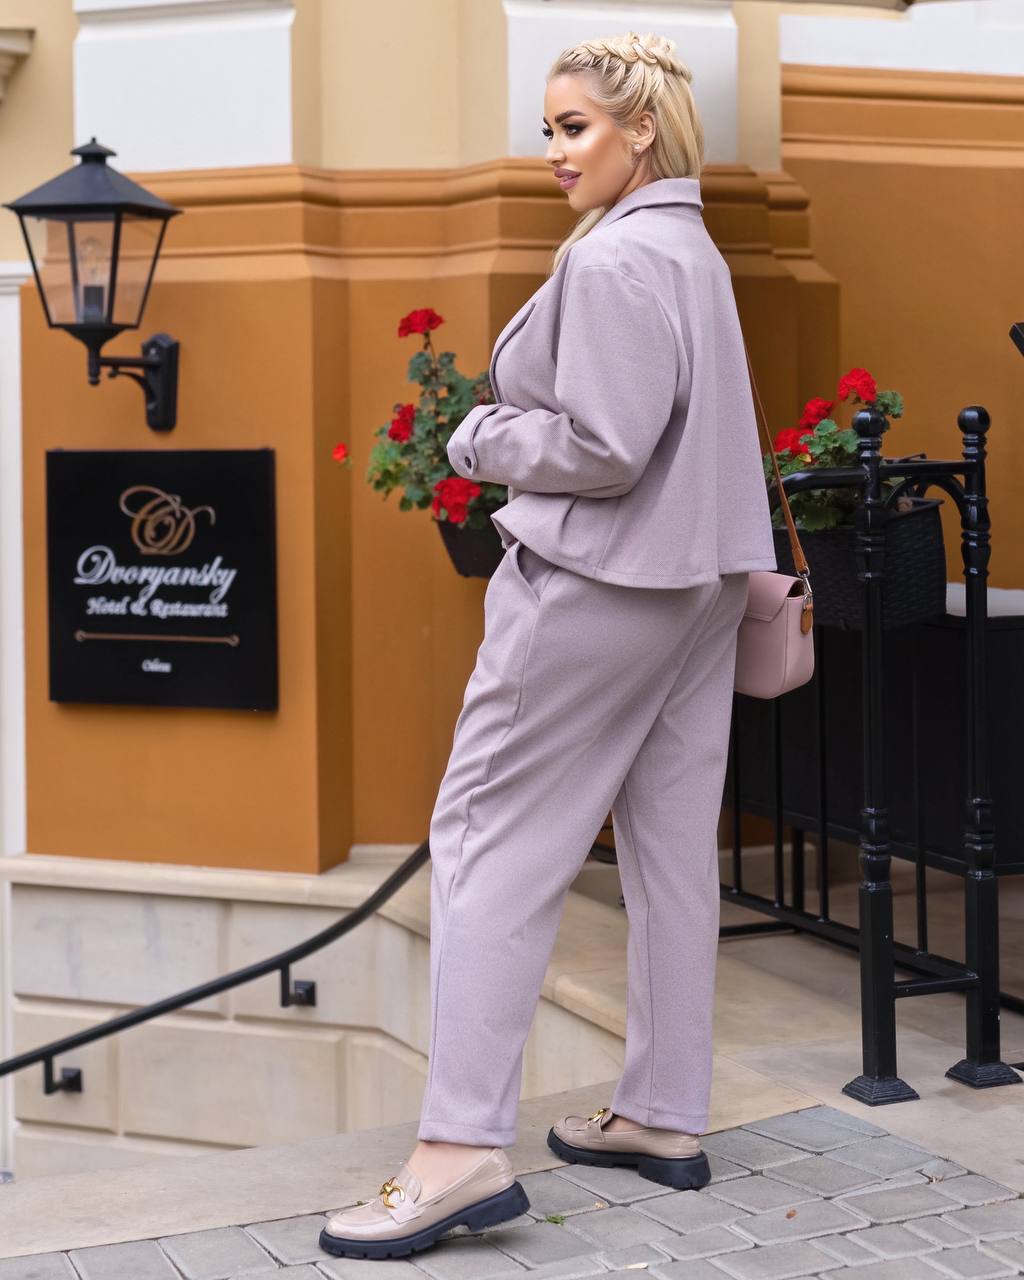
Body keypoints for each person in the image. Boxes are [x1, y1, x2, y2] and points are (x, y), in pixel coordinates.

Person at [320, 28, 777, 1262]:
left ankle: (457, 1150)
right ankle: (662, 1109)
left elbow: (604, 445)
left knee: (484, 839)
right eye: (549, 130)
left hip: (597, 584)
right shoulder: (690, 249)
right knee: (669, 851)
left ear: (641, 127)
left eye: (574, 127)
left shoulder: (619, 258)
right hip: (694, 587)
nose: (555, 151)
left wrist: (478, 438)